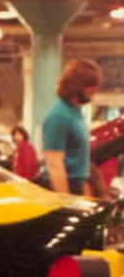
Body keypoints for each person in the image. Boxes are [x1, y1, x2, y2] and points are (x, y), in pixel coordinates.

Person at [42, 58, 103, 195]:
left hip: (76, 184)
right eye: (91, 87)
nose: (94, 91)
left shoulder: (75, 112)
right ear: (77, 86)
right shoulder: (58, 115)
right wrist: (66, 200)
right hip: (63, 186)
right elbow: (54, 163)